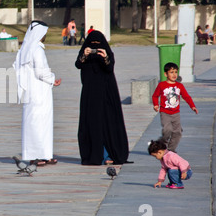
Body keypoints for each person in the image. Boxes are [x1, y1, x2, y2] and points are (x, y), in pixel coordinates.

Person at [75, 30, 130, 165]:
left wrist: (105, 57)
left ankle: (109, 155)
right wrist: (84, 55)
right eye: (92, 44)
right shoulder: (85, 54)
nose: (95, 47)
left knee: (108, 124)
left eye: (97, 44)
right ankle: (94, 155)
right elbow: (78, 64)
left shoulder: (108, 53)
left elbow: (109, 68)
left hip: (106, 95)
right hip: (90, 96)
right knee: (92, 125)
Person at [13, 20, 62, 166]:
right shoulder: (37, 49)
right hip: (40, 92)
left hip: (30, 92)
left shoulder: (25, 49)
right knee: (42, 123)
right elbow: (41, 72)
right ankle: (40, 156)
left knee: (32, 123)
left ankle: (41, 155)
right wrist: (53, 79)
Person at [152, 62, 198, 152]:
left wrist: (192, 106)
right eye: (171, 72)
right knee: (167, 130)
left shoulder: (179, 86)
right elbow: (155, 96)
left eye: (176, 72)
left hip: (176, 113)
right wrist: (156, 105)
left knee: (177, 132)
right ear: (166, 74)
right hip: (165, 113)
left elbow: (186, 96)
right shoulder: (162, 85)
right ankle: (162, 143)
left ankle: (170, 150)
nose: (174, 74)